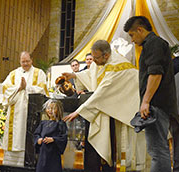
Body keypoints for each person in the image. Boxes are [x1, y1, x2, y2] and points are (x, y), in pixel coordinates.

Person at [63, 40, 146, 171]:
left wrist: (79, 111)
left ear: (106, 55)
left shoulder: (118, 66)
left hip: (124, 111)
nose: (93, 61)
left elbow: (102, 92)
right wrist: (74, 75)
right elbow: (91, 74)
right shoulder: (100, 61)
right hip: (105, 108)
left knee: (128, 148)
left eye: (95, 58)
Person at [124, 16, 179, 172]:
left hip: (157, 105)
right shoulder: (154, 44)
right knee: (158, 150)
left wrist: (146, 101)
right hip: (160, 105)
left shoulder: (154, 44)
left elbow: (155, 73)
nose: (132, 40)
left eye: (132, 35)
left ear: (140, 30)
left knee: (157, 151)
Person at [2, 51, 49, 166]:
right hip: (15, 110)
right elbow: (5, 88)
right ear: (20, 61)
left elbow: (42, 90)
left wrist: (26, 87)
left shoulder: (39, 73)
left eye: (27, 61)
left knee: (28, 135)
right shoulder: (13, 74)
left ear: (31, 60)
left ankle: (29, 162)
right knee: (15, 136)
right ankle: (12, 164)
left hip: (31, 111)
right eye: (23, 61)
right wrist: (19, 88)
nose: (25, 64)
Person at [34, 99, 67, 172]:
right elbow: (36, 134)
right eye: (48, 108)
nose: (50, 110)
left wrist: (54, 139)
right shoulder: (43, 123)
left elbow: (64, 138)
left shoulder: (61, 124)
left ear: (58, 110)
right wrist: (38, 140)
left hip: (53, 153)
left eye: (53, 108)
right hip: (43, 153)